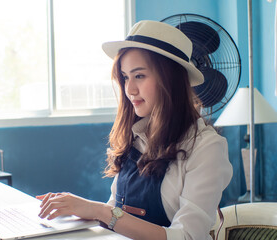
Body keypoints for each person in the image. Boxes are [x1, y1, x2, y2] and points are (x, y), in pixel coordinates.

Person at [37, 20, 233, 240]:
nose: (129, 89)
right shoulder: (136, 136)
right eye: (126, 77)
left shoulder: (207, 147)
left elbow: (186, 236)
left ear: (172, 79)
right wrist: (74, 210)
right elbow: (116, 210)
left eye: (139, 75)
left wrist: (98, 210)